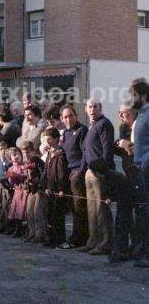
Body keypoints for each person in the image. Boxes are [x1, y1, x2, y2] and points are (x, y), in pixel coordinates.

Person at [79, 99, 114, 255]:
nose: (92, 109)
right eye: (90, 107)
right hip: (89, 172)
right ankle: (93, 241)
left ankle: (106, 244)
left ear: (100, 108)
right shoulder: (92, 126)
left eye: (95, 107)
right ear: (86, 109)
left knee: (102, 209)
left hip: (100, 172)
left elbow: (107, 153)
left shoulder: (104, 124)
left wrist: (99, 170)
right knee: (92, 209)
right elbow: (86, 152)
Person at [60, 105, 89, 249]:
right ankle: (77, 236)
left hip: (78, 173)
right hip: (69, 173)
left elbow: (85, 153)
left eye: (70, 115)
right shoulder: (65, 133)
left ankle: (79, 238)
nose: (68, 119)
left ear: (76, 116)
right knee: (73, 207)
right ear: (61, 119)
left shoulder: (82, 130)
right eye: (65, 117)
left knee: (79, 208)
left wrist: (81, 171)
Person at [130, 78, 149, 268]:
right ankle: (142, 252)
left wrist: (145, 162)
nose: (132, 98)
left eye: (134, 95)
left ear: (142, 95)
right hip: (139, 169)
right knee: (142, 213)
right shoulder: (141, 114)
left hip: (146, 170)